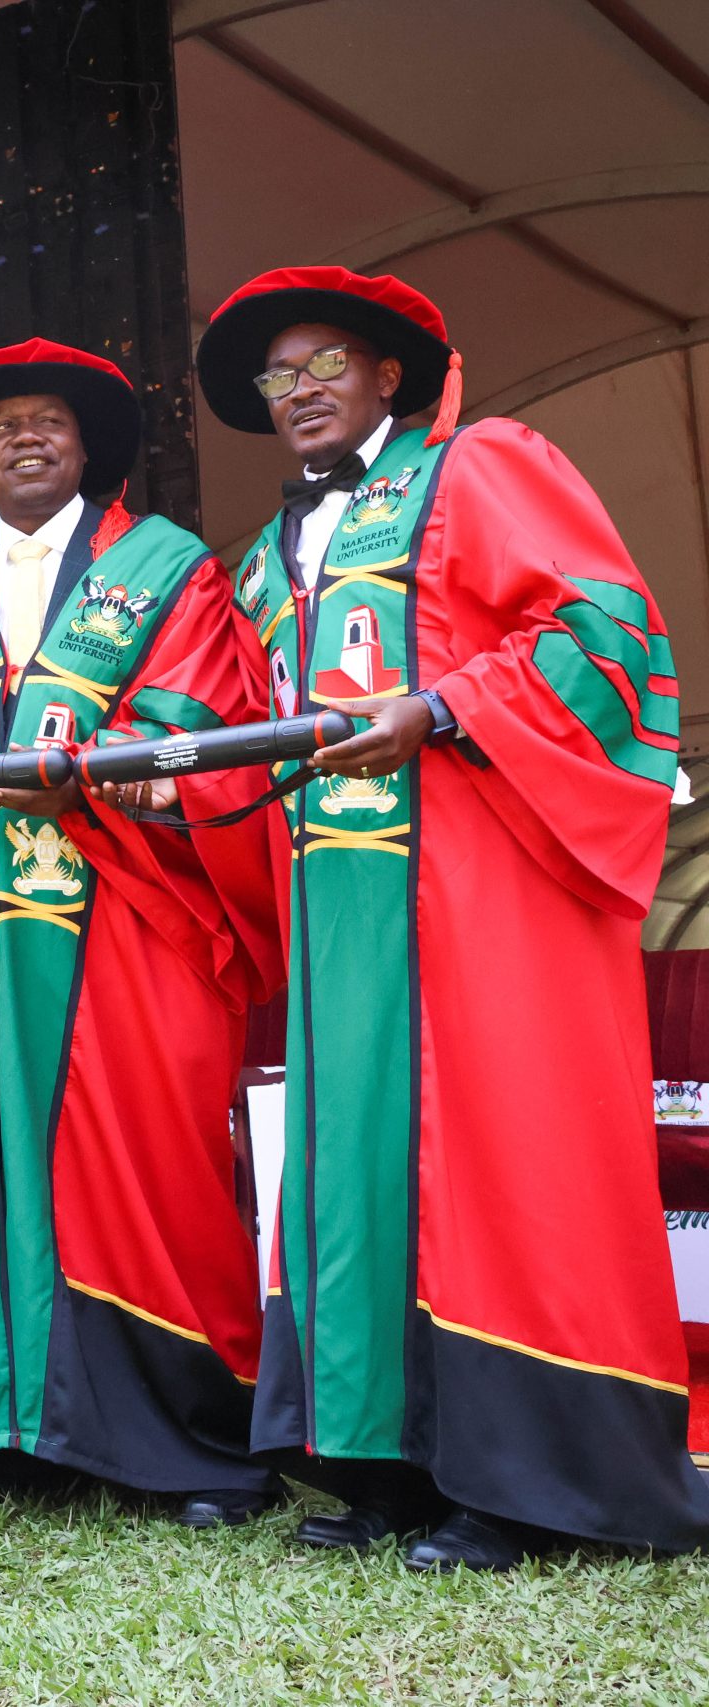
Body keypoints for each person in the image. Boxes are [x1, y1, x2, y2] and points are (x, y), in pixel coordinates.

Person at [196, 264, 709, 1569]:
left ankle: (535, 1483)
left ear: (387, 376)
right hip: (340, 906)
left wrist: (442, 707)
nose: (301, 389)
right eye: (278, 373)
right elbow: (246, 738)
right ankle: (392, 1464)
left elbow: (604, 623)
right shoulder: (268, 557)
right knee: (357, 1169)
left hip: (485, 877)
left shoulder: (478, 465)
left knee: (505, 1156)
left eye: (328, 364)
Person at [0, 339, 280, 1525]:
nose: (25, 438)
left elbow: (206, 732)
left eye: (47, 422)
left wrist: (89, 779)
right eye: (0, 430)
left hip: (131, 920)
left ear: (87, 445)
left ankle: (184, 1441)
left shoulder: (170, 569)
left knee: (147, 1163)